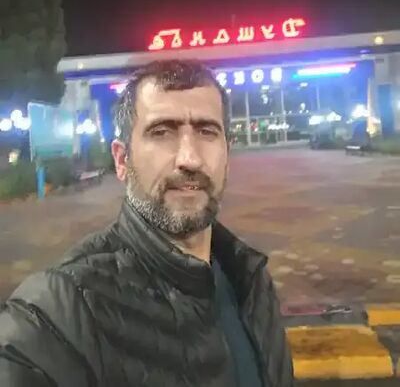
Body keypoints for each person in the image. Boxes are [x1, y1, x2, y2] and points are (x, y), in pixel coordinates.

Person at [0, 60, 294, 387]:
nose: (190, 159)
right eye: (162, 132)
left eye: (207, 131)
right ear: (122, 160)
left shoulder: (252, 281)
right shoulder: (61, 309)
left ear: (227, 154)